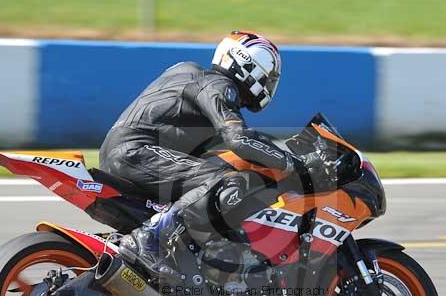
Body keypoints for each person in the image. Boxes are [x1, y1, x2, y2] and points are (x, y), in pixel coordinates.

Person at [99, 30, 334, 279]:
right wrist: (293, 164)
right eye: (269, 76)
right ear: (248, 65)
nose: (269, 84)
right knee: (227, 181)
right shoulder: (217, 86)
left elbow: (239, 140)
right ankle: (150, 241)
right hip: (136, 153)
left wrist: (275, 150)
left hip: (126, 152)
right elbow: (240, 139)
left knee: (217, 177)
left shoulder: (190, 74)